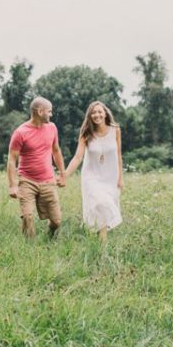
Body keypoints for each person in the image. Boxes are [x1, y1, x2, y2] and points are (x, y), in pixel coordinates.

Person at [7, 96, 67, 238]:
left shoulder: (52, 128)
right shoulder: (21, 132)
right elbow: (11, 160)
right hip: (27, 180)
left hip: (48, 180)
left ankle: (49, 238)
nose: (51, 115)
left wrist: (62, 174)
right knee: (27, 217)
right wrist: (12, 185)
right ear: (40, 111)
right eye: (49, 111)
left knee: (56, 221)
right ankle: (30, 248)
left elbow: (56, 151)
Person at [64, 101, 124, 243]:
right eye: (93, 113)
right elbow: (78, 157)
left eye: (99, 112)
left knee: (104, 208)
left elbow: (119, 155)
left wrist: (121, 178)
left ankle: (99, 240)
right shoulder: (86, 133)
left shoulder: (115, 130)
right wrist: (64, 175)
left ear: (105, 113)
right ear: (90, 116)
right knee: (101, 202)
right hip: (92, 177)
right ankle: (103, 246)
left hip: (110, 176)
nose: (97, 115)